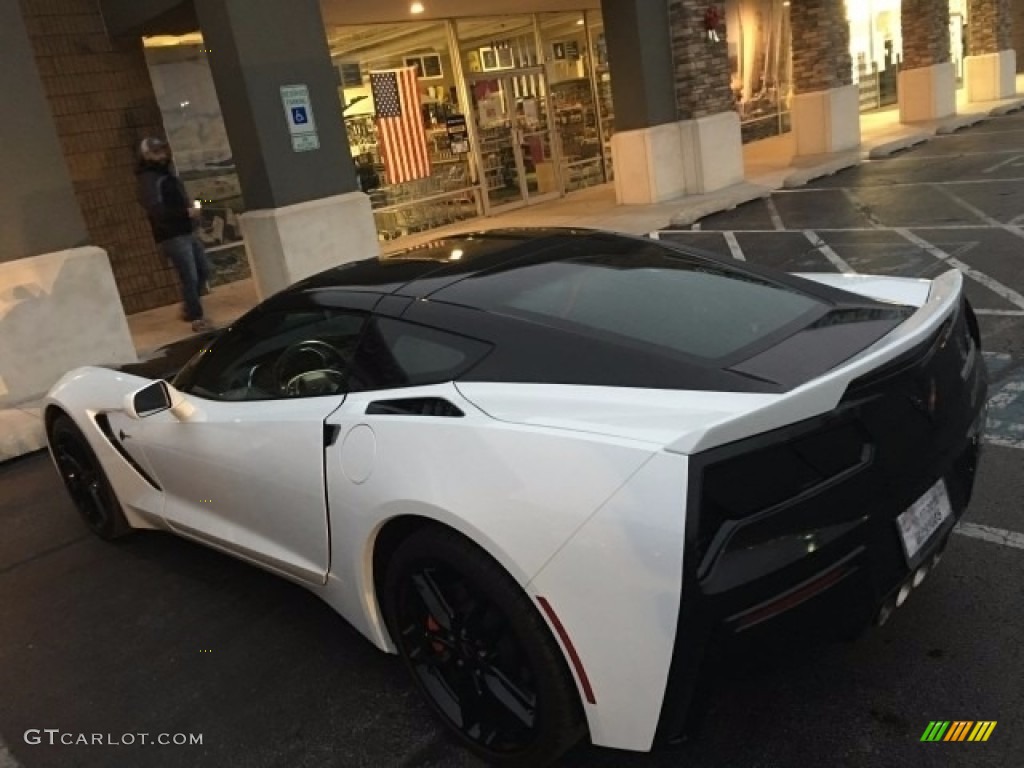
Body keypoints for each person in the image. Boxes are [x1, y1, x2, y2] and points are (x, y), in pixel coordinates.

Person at [136, 137, 214, 333]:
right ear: (146, 156)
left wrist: (192, 215)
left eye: (162, 150)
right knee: (190, 276)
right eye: (156, 152)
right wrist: (185, 213)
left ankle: (190, 307)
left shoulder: (167, 174)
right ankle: (197, 318)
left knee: (204, 270)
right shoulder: (149, 179)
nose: (162, 155)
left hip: (186, 230)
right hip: (171, 235)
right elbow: (157, 210)